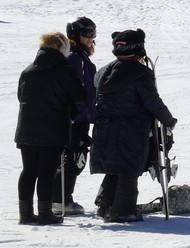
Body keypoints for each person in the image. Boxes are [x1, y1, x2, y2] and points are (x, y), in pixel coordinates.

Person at [90, 29, 176, 223]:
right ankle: (123, 210)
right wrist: (169, 120)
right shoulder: (141, 73)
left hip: (104, 128)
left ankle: (106, 205)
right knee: (129, 169)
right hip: (131, 128)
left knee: (115, 166)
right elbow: (152, 102)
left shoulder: (103, 71)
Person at [16, 32, 84, 225]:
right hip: (53, 128)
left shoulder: (29, 70)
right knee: (47, 170)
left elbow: (21, 96)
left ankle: (25, 213)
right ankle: (45, 213)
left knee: (28, 170)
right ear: (62, 48)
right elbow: (79, 95)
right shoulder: (64, 70)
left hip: (27, 128)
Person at [58, 17, 98, 216]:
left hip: (77, 117)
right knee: (73, 158)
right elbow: (76, 89)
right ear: (75, 35)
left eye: (93, 33)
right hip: (76, 118)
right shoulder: (75, 57)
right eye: (87, 34)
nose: (91, 38)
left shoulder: (78, 56)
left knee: (73, 157)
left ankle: (60, 198)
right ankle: (61, 200)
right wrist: (81, 113)